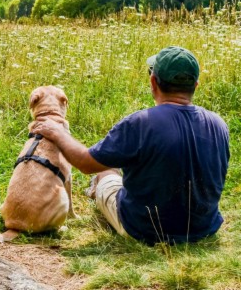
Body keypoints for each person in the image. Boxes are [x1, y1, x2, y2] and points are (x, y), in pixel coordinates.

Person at [31, 46, 230, 245]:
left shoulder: (140, 123)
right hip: (204, 228)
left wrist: (56, 132)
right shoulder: (219, 124)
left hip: (142, 229)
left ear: (153, 81)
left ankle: (96, 188)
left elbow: (85, 163)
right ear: (196, 84)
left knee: (105, 172)